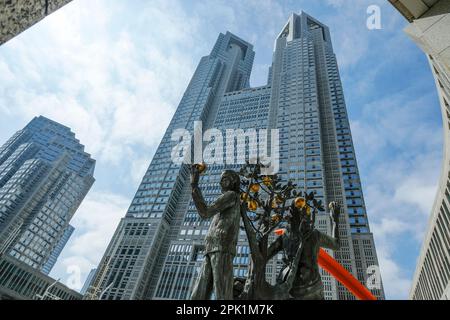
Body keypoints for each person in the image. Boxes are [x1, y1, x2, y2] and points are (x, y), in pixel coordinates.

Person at [268, 202, 340, 300]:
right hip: (301, 288)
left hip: (295, 288)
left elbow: (263, 255)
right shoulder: (312, 235)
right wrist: (335, 221)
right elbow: (336, 244)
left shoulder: (289, 235)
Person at [190, 166, 241, 300]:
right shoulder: (227, 198)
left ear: (234, 182)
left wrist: (194, 185)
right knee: (199, 291)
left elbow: (205, 212)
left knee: (222, 293)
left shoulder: (231, 195)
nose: (220, 183)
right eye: (220, 180)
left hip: (222, 247)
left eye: (224, 179)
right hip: (211, 247)